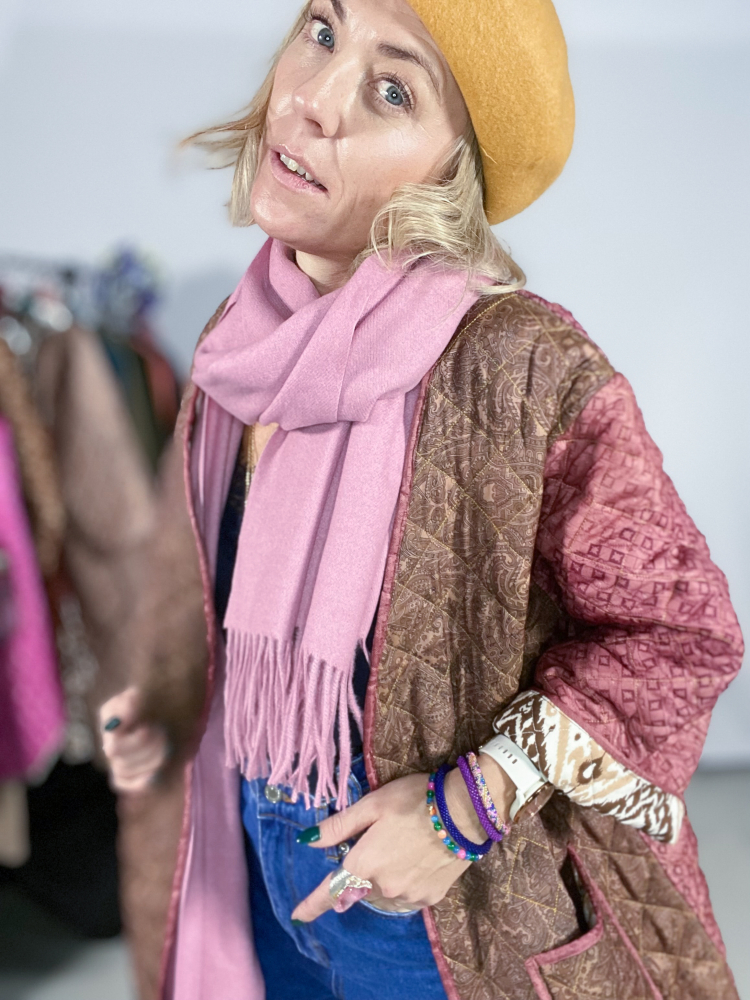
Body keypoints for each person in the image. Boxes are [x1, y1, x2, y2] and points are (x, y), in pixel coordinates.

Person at [99, 1, 744, 998]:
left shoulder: (521, 363)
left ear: (452, 172)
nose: (314, 101)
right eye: (322, 31)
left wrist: (461, 814)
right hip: (248, 865)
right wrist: (168, 702)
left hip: (434, 918)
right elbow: (219, 585)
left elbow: (681, 634)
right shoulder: (242, 337)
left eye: (392, 89)